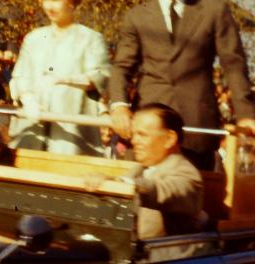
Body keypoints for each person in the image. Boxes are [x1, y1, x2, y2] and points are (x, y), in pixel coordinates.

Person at [109, 0, 255, 171]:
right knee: (141, 193)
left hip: (196, 123)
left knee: (195, 195)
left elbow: (234, 64)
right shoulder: (136, 17)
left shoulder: (213, 10)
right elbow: (122, 66)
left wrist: (246, 115)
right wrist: (119, 105)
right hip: (149, 123)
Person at [10, 0, 110, 156]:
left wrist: (65, 79)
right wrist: (27, 97)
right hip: (33, 129)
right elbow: (20, 75)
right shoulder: (34, 38)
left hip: (72, 130)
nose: (49, 6)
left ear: (72, 1)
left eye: (56, 0)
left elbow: (101, 77)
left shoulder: (90, 38)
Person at [85, 103, 204, 240]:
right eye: (134, 134)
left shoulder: (187, 173)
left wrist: (124, 184)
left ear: (169, 139)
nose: (134, 141)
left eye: (142, 134)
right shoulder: (139, 169)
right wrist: (103, 182)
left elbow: (161, 190)